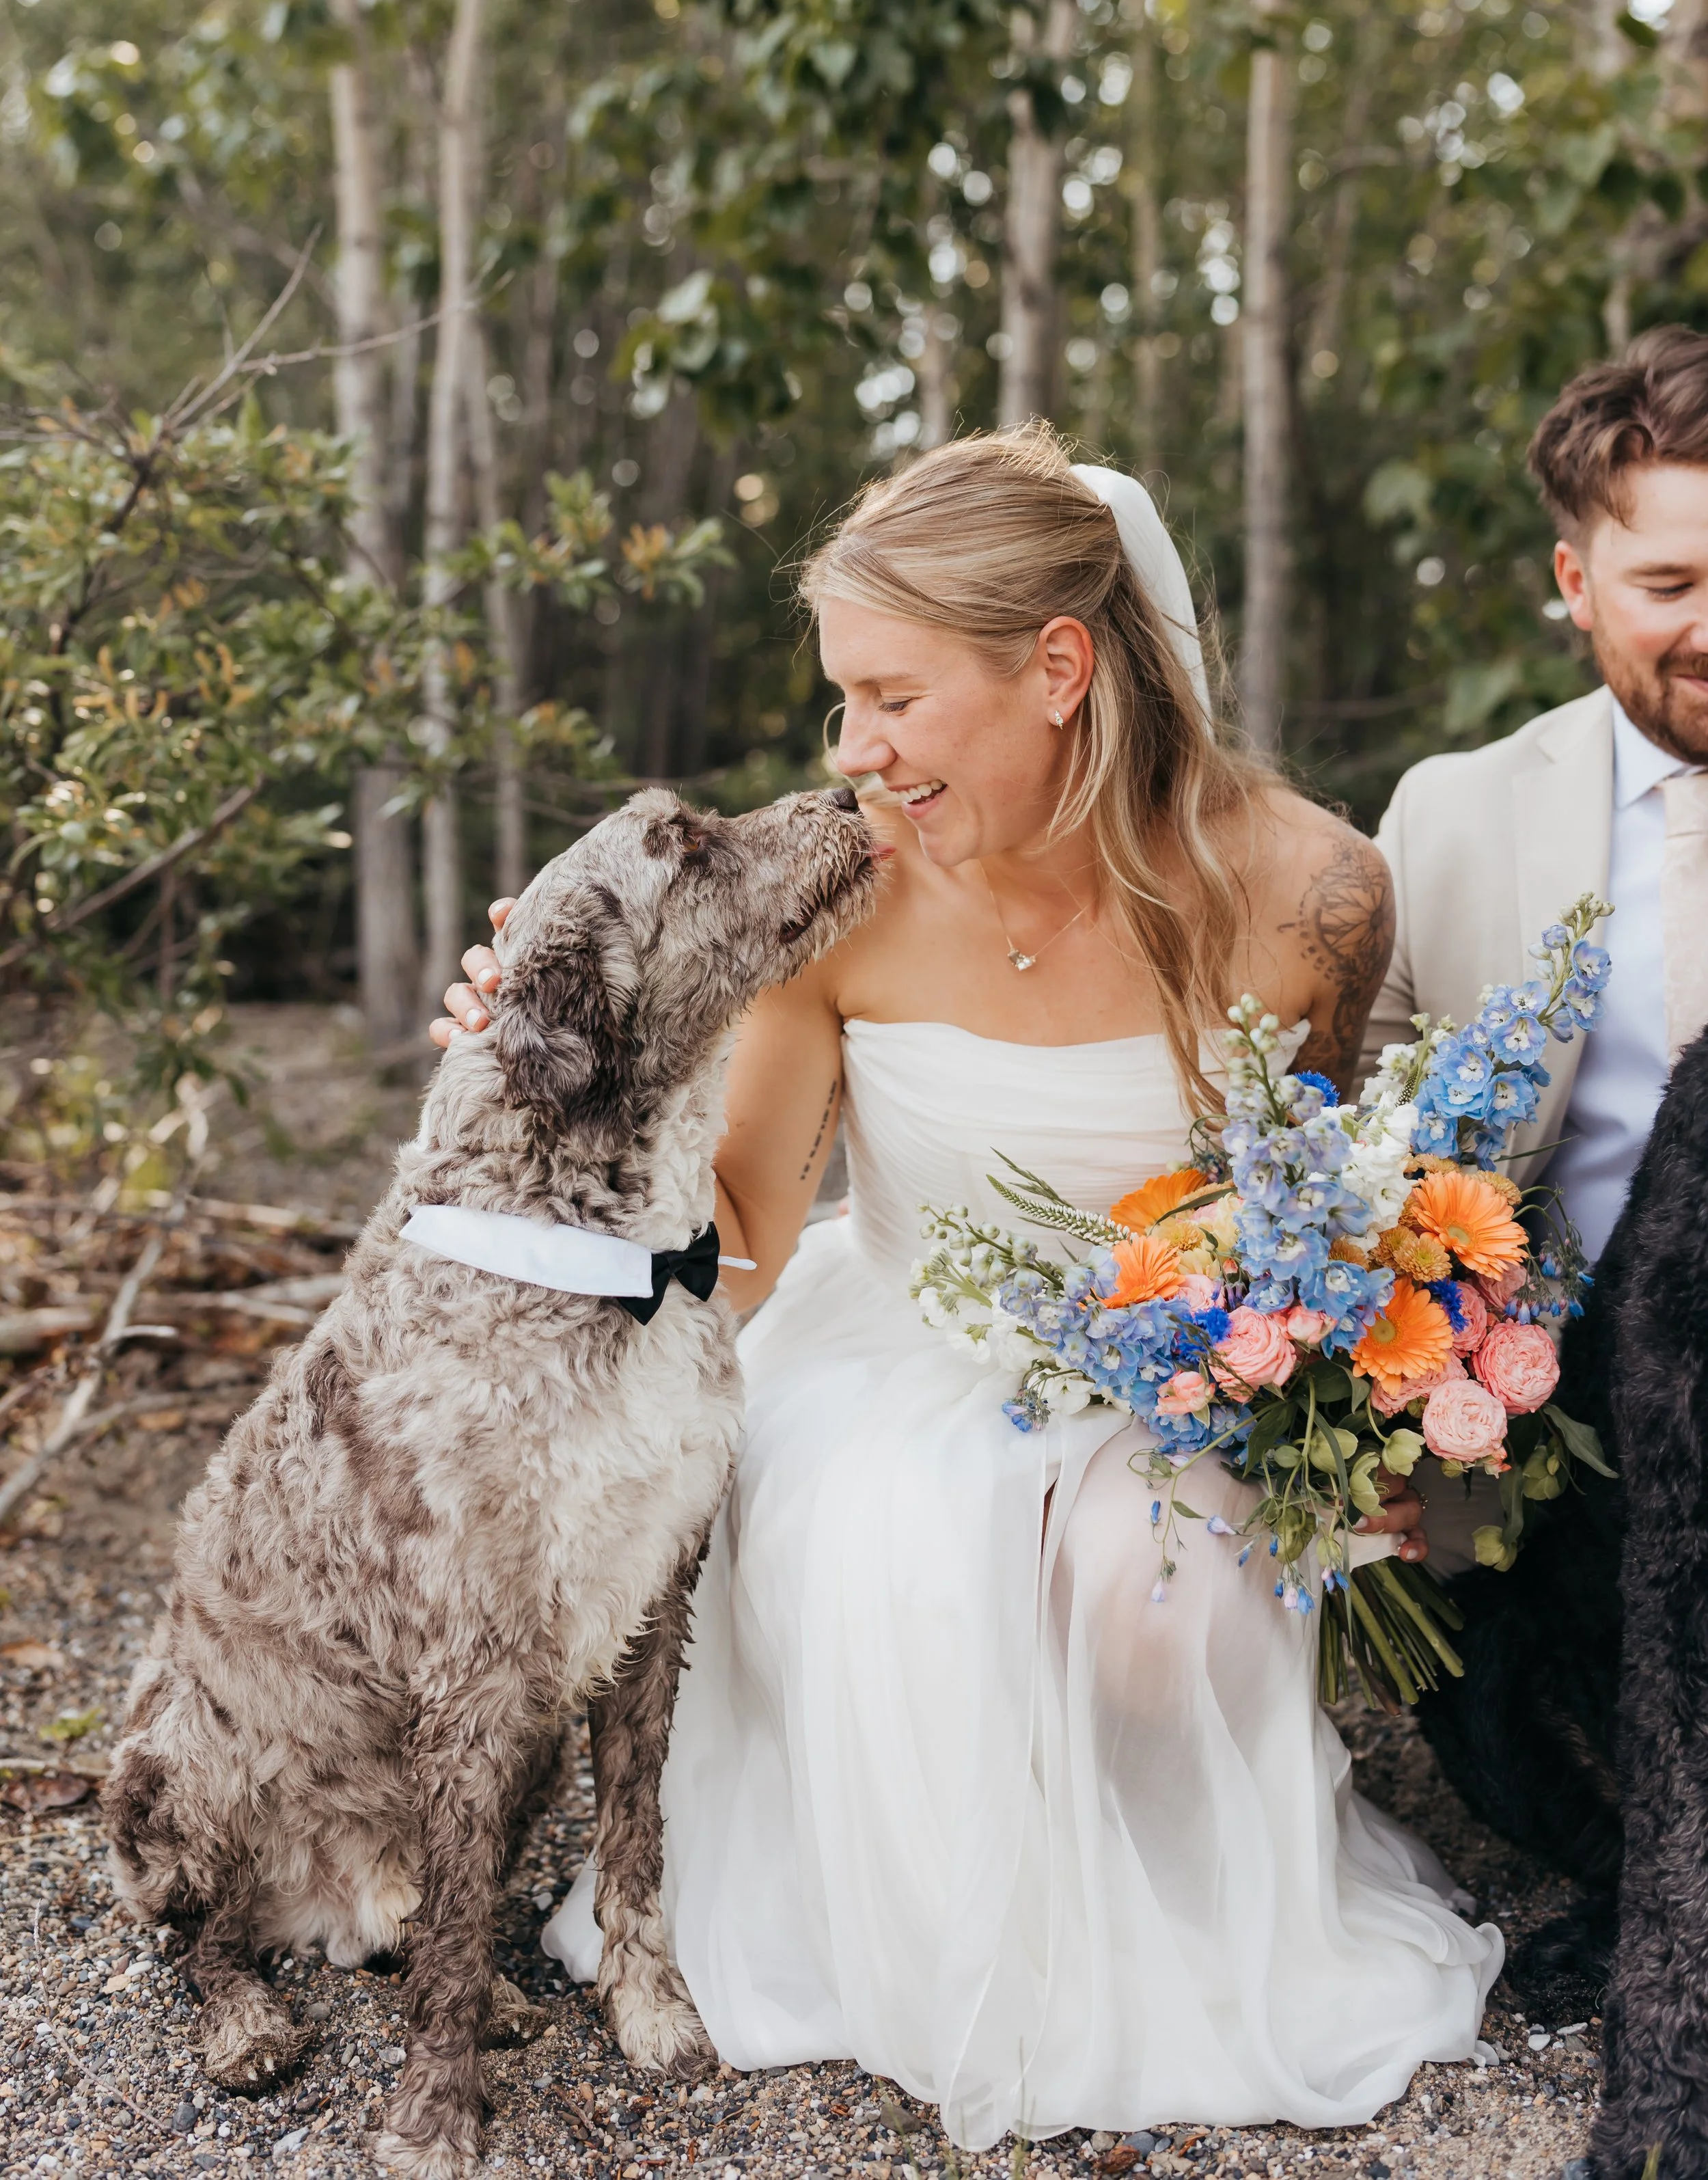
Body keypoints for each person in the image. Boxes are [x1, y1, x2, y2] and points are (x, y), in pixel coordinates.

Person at [434, 431, 1499, 2149]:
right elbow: (753, 1233)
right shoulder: (839, 891)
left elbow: (1324, 1208)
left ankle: (1175, 1900)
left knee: (1159, 1607)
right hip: (904, 1345)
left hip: (1186, 1363)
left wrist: (1351, 1415)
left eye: (891, 698)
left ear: (1058, 669)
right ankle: (940, 1939)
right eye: (844, 700)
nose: (852, 749)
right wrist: (555, 1104)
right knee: (892, 1550)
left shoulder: (1311, 888)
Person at [1364, 327, 1708, 1992]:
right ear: (1574, 581)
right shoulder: (1447, 812)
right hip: (1543, 1420)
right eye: (1669, 583)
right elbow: (1358, 1114)